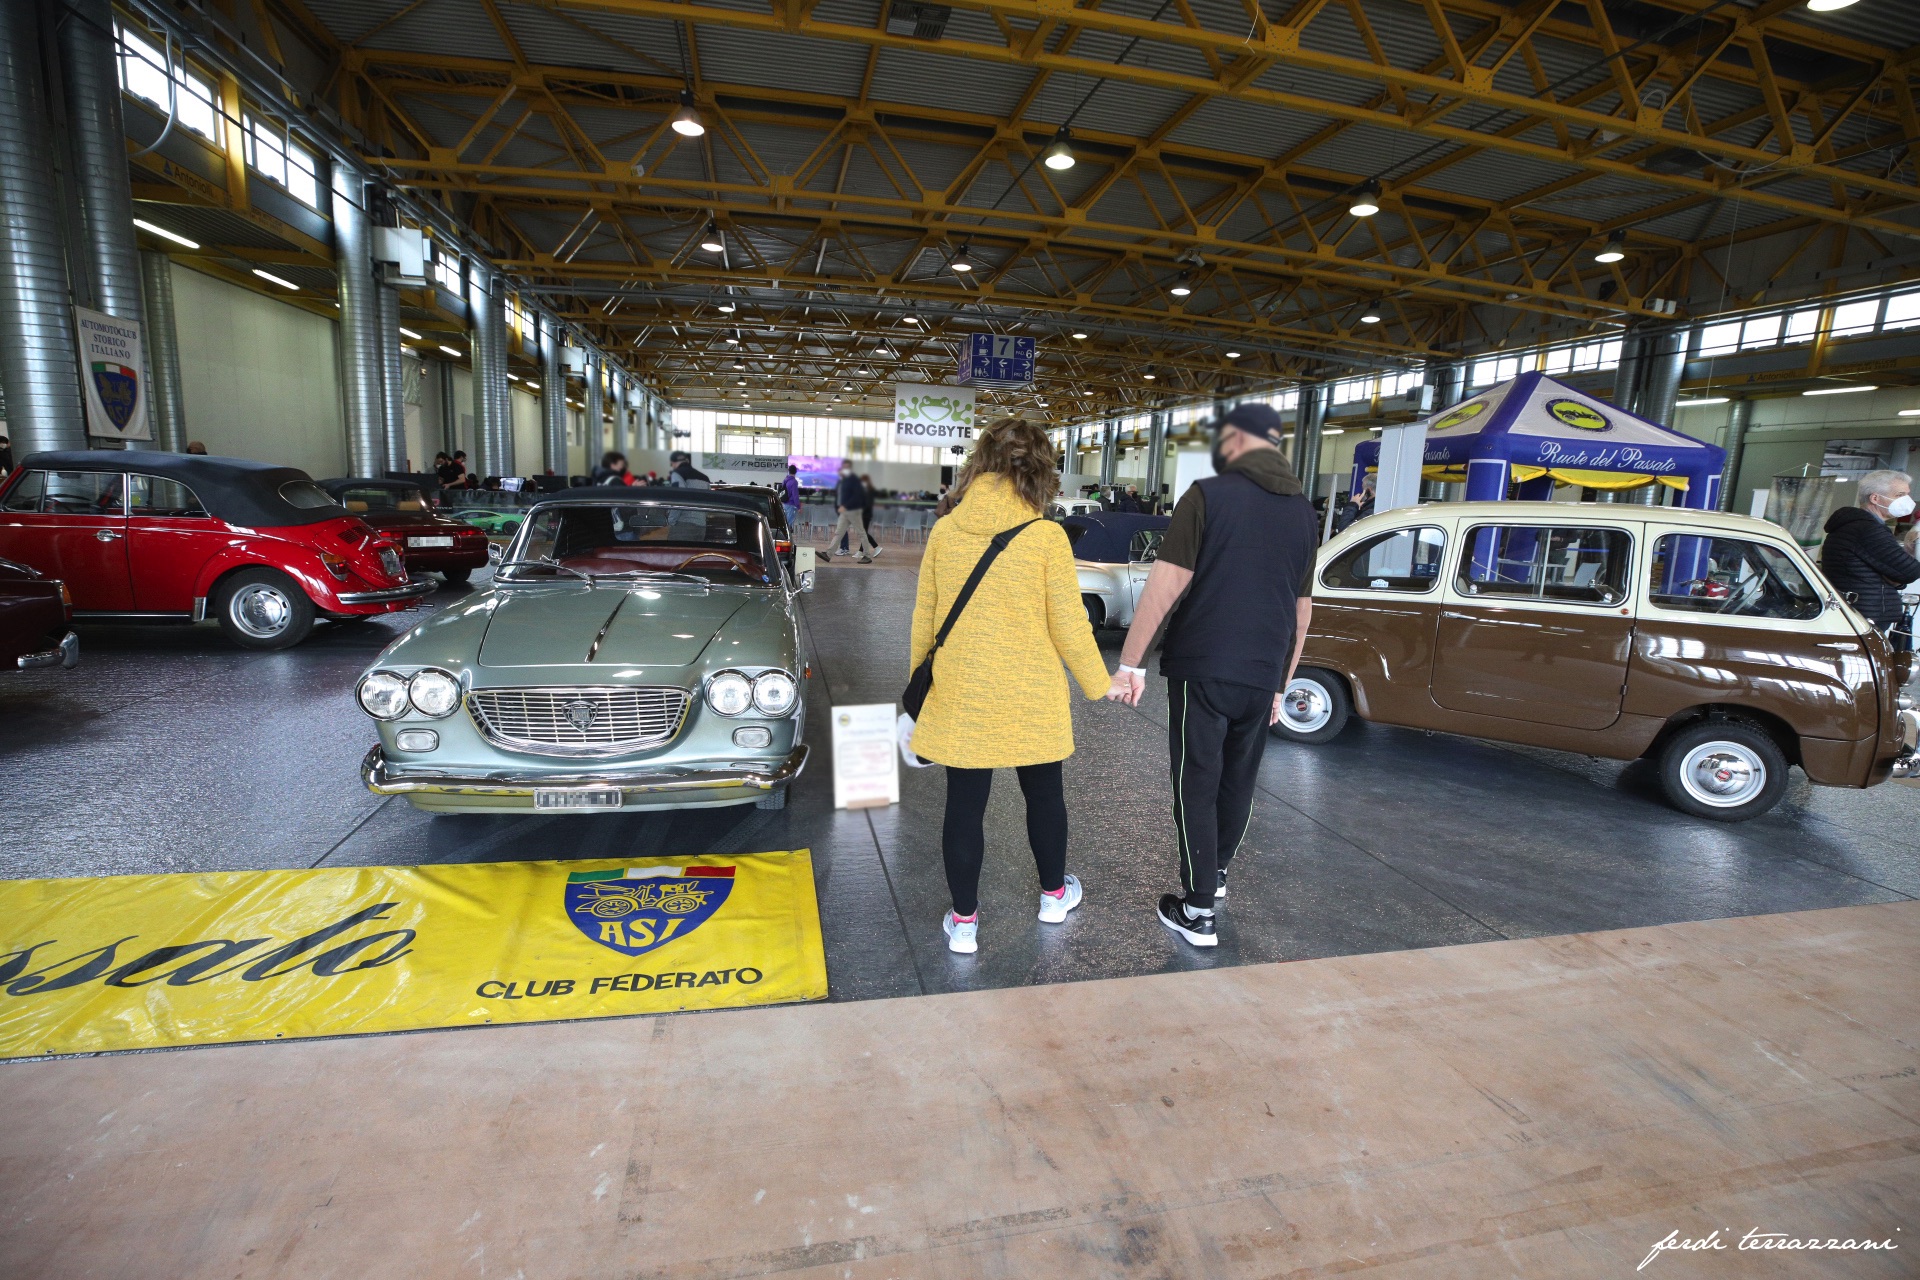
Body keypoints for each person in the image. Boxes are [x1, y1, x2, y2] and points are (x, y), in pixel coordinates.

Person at [1106, 402, 1319, 949]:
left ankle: (1198, 910)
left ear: (1236, 441)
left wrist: (1131, 662)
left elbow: (1166, 582)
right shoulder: (1303, 512)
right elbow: (1302, 611)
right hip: (1263, 671)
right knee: (1237, 780)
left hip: (1203, 666)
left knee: (1195, 781)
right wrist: (1281, 683)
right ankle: (1216, 875)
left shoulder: (1208, 495)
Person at [909, 418, 1111, 954]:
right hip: (1033, 696)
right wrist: (1099, 682)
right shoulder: (1046, 536)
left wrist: (918, 690)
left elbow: (924, 621)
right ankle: (1051, 897)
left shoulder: (946, 531)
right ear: (1043, 469)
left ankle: (965, 923)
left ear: (981, 462)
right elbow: (1069, 623)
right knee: (1044, 796)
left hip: (962, 691)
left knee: (964, 806)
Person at [1822, 469, 1920, 651]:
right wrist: (1896, 574)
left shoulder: (1854, 525)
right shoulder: (1868, 530)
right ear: (1875, 498)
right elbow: (1910, 571)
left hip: (1859, 610)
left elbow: (1893, 571)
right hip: (1866, 614)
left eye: (1907, 494)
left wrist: (1900, 562)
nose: (1907, 500)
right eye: (1900, 495)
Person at [827, 460, 878, 562]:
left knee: (861, 533)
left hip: (853, 510)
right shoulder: (844, 480)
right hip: (845, 511)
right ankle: (828, 554)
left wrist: (845, 505)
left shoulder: (854, 480)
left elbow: (856, 496)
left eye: (846, 467)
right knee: (839, 532)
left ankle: (867, 555)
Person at [859, 472, 880, 549]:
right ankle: (861, 551)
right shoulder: (865, 490)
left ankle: (876, 546)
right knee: (863, 532)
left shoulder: (870, 491)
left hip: (865, 514)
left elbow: (867, 503)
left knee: (863, 533)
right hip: (865, 514)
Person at [782, 463, 802, 530]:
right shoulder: (794, 482)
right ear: (795, 472)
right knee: (787, 525)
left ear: (789, 471)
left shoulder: (785, 480)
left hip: (784, 504)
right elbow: (795, 495)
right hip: (791, 505)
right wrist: (798, 507)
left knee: (785, 523)